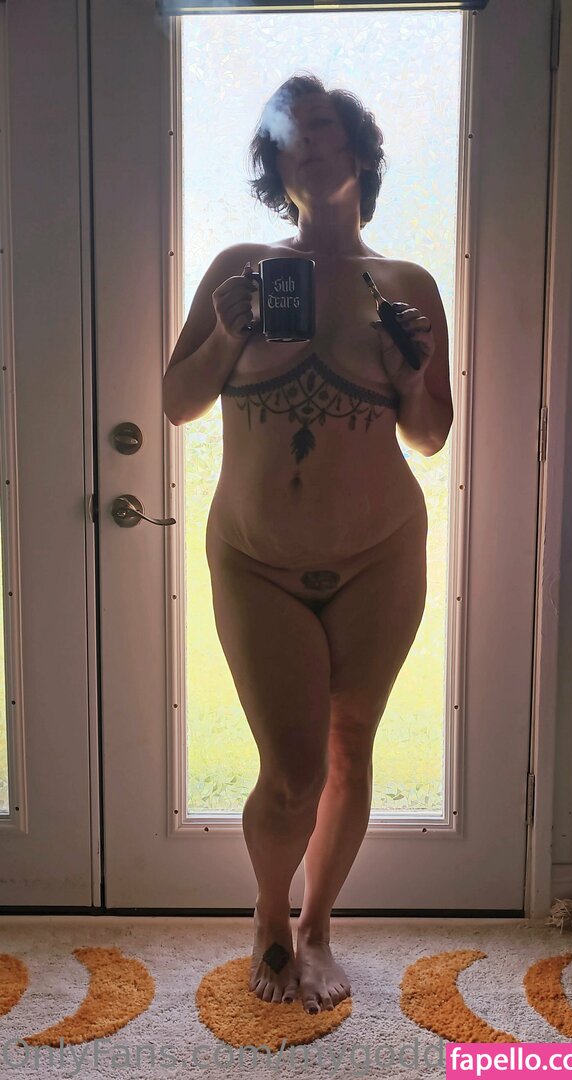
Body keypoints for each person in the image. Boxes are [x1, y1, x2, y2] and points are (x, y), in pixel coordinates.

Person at [162, 72, 453, 1015]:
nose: (309, 145)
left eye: (324, 129)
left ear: (359, 151)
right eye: (290, 138)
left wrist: (412, 371)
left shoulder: (406, 285)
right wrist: (226, 334)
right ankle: (268, 914)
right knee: (291, 773)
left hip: (381, 554)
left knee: (350, 747)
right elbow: (177, 402)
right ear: (275, 168)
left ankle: (319, 927)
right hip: (258, 560)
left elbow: (431, 434)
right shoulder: (241, 268)